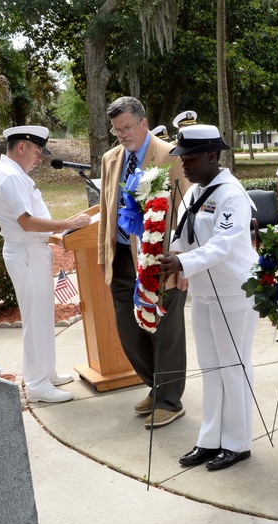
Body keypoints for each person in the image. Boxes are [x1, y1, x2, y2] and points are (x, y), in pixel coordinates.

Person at [158, 124, 259, 471]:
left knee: (233, 367)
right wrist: (163, 254)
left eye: (191, 157)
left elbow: (222, 244)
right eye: (182, 158)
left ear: (213, 156)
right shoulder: (197, 190)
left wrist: (182, 262)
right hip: (203, 292)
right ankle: (210, 438)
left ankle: (237, 442)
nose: (184, 164)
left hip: (233, 292)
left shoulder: (230, 193)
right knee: (210, 367)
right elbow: (184, 235)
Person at [98, 96, 190, 428]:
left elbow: (187, 210)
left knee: (165, 331)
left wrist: (184, 260)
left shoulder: (169, 155)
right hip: (121, 257)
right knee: (129, 330)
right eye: (116, 129)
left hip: (160, 260)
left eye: (127, 127)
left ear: (144, 123)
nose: (122, 135)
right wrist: (103, 259)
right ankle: (156, 385)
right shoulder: (111, 159)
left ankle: (170, 399)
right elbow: (108, 212)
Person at [0, 126, 90, 403]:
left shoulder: (14, 174)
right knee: (35, 319)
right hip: (26, 251)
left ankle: (46, 373)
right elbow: (27, 222)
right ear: (21, 147)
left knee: (43, 316)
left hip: (32, 251)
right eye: (36, 151)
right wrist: (70, 223)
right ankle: (36, 385)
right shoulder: (8, 176)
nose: (39, 158)